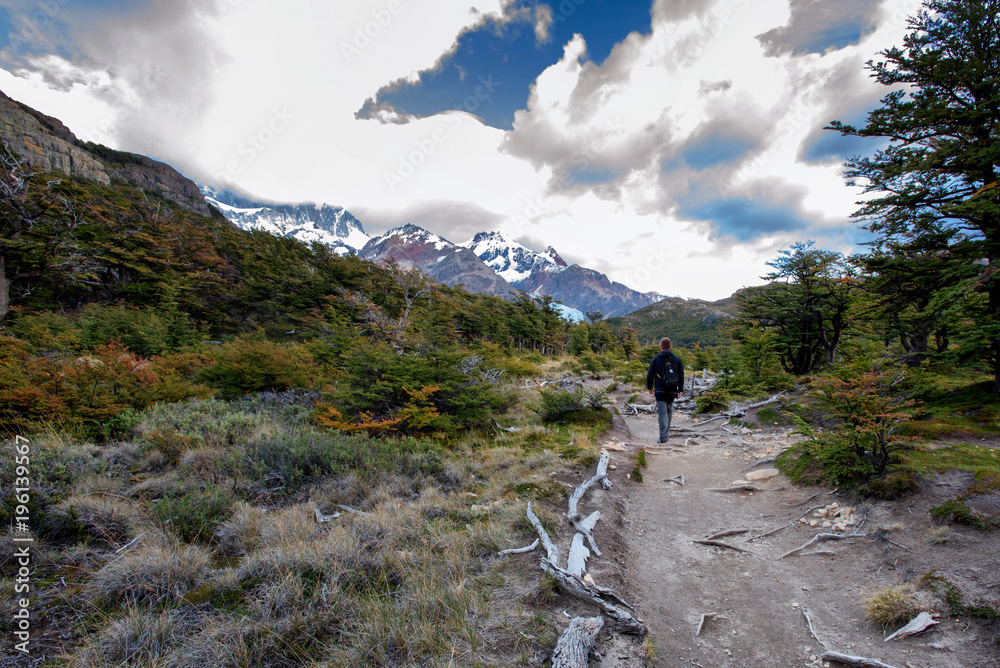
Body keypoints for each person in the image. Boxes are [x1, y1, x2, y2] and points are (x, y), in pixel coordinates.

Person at [646, 337, 684, 443]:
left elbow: (650, 375)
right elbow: (681, 375)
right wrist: (680, 390)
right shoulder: (677, 359)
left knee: (662, 413)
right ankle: (666, 435)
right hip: (672, 390)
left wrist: (650, 387)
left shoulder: (656, 359)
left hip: (660, 390)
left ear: (661, 347)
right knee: (669, 411)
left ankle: (663, 437)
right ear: (670, 347)